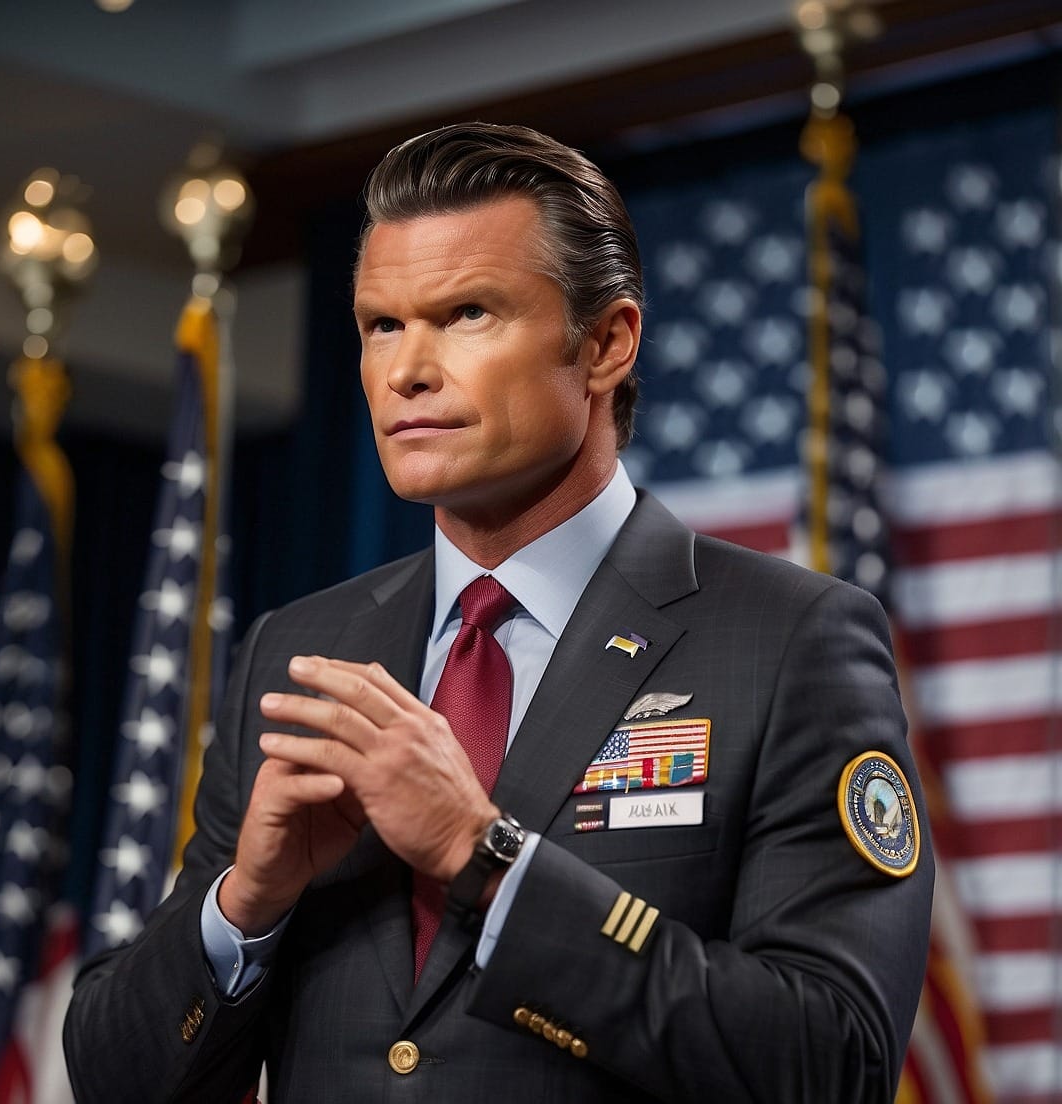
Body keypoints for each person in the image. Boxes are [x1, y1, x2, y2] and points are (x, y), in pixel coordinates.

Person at [64, 122, 933, 1103]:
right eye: (381, 325)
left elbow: (834, 1063)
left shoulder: (790, 641)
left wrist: (484, 859)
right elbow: (113, 1079)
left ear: (606, 341)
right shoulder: (299, 651)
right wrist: (246, 905)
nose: (406, 372)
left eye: (467, 313)